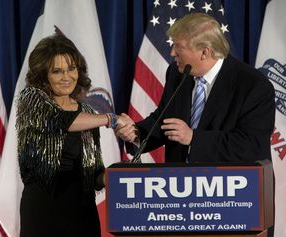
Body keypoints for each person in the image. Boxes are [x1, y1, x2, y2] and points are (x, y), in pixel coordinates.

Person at [117, 12, 275, 163]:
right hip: (181, 184)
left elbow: (251, 145)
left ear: (204, 52)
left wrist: (193, 138)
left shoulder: (253, 85)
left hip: (233, 184)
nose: (172, 53)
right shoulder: (177, 73)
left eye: (179, 47)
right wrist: (135, 134)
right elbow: (165, 122)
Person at [16, 34, 125, 237]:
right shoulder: (30, 100)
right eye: (57, 71)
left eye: (72, 68)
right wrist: (111, 119)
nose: (67, 77)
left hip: (82, 214)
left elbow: (94, 174)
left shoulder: (86, 110)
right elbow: (62, 121)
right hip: (43, 214)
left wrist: (114, 177)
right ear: (43, 75)